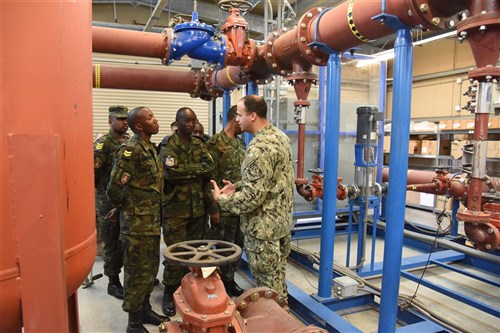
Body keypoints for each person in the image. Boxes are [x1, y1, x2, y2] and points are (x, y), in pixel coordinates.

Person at [211, 95, 294, 300]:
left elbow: (251, 199)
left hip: (263, 232)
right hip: (280, 226)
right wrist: (237, 186)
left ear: (253, 115)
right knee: (277, 280)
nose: (236, 119)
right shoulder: (279, 136)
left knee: (268, 290)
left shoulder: (258, 148)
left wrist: (220, 199)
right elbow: (271, 179)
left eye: (239, 115)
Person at [106, 106, 169, 333]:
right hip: (136, 226)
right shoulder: (130, 150)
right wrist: (125, 207)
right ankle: (133, 322)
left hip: (151, 223)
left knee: (149, 270)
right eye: (151, 117)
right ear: (139, 125)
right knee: (135, 273)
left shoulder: (149, 148)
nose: (156, 120)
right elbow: (114, 190)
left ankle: (144, 309)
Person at [159, 107, 219, 316]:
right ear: (178, 122)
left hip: (198, 211)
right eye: (187, 121)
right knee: (176, 255)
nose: (191, 124)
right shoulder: (168, 145)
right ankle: (169, 293)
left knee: (199, 253)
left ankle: (197, 292)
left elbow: (209, 170)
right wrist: (196, 170)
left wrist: (213, 208)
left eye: (194, 121)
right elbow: (171, 174)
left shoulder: (199, 144)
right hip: (175, 211)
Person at [206, 105, 245, 297]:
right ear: (235, 118)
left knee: (237, 247)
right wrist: (214, 209)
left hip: (239, 207)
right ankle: (219, 283)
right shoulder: (215, 144)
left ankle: (230, 281)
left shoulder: (241, 143)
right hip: (223, 207)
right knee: (222, 248)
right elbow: (209, 179)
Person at [94, 105, 129, 300]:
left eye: (126, 119)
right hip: (107, 202)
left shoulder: (129, 141)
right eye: (120, 119)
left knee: (126, 240)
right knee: (111, 242)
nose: (124, 122)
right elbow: (95, 175)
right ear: (110, 121)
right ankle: (113, 282)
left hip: (126, 201)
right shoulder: (103, 144)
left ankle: (131, 276)